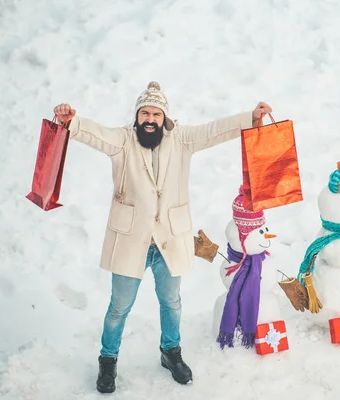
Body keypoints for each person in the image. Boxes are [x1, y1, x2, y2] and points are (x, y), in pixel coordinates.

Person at [53, 81, 272, 393]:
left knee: (171, 301)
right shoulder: (123, 141)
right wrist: (71, 122)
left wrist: (249, 118)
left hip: (169, 238)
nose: (150, 119)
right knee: (119, 306)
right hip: (132, 239)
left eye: (156, 113)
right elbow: (94, 133)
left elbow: (214, 130)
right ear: (137, 116)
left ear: (164, 117)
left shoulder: (180, 139)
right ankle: (108, 359)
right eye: (145, 113)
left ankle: (171, 352)